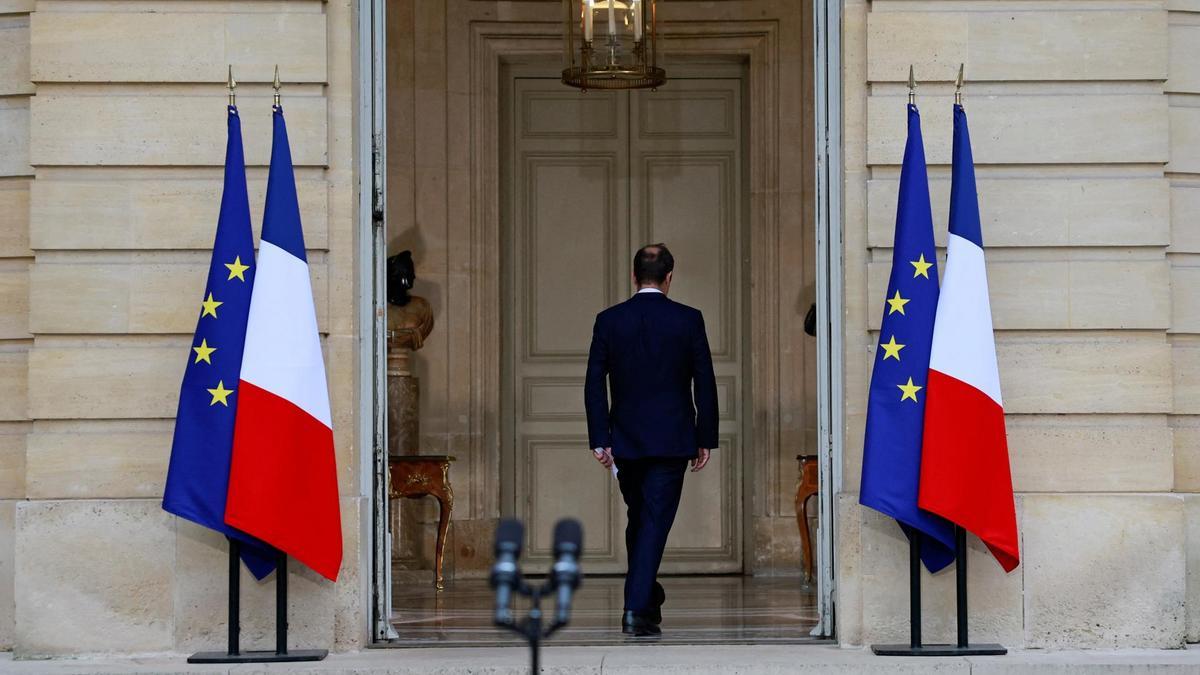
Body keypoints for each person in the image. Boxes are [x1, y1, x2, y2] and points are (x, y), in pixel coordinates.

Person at [584, 243, 719, 637]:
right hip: (673, 439)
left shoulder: (609, 320)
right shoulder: (688, 319)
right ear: (669, 277)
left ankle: (648, 595)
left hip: (624, 441)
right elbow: (704, 382)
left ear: (634, 275)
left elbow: (594, 383)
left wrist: (599, 437)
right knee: (652, 523)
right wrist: (705, 436)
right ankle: (635, 607)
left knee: (641, 521)